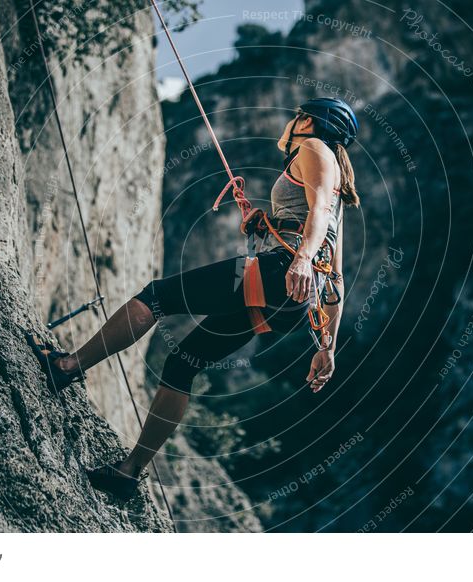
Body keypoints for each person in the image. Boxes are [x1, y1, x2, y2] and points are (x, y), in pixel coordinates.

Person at [28, 98, 360, 499]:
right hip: (294, 303)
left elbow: (317, 210)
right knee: (181, 364)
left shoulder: (313, 148)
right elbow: (336, 277)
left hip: (278, 274)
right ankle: (129, 472)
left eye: (297, 116)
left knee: (156, 297)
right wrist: (328, 347)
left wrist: (301, 258)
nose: (291, 122)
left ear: (309, 121)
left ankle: (66, 367)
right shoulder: (338, 189)